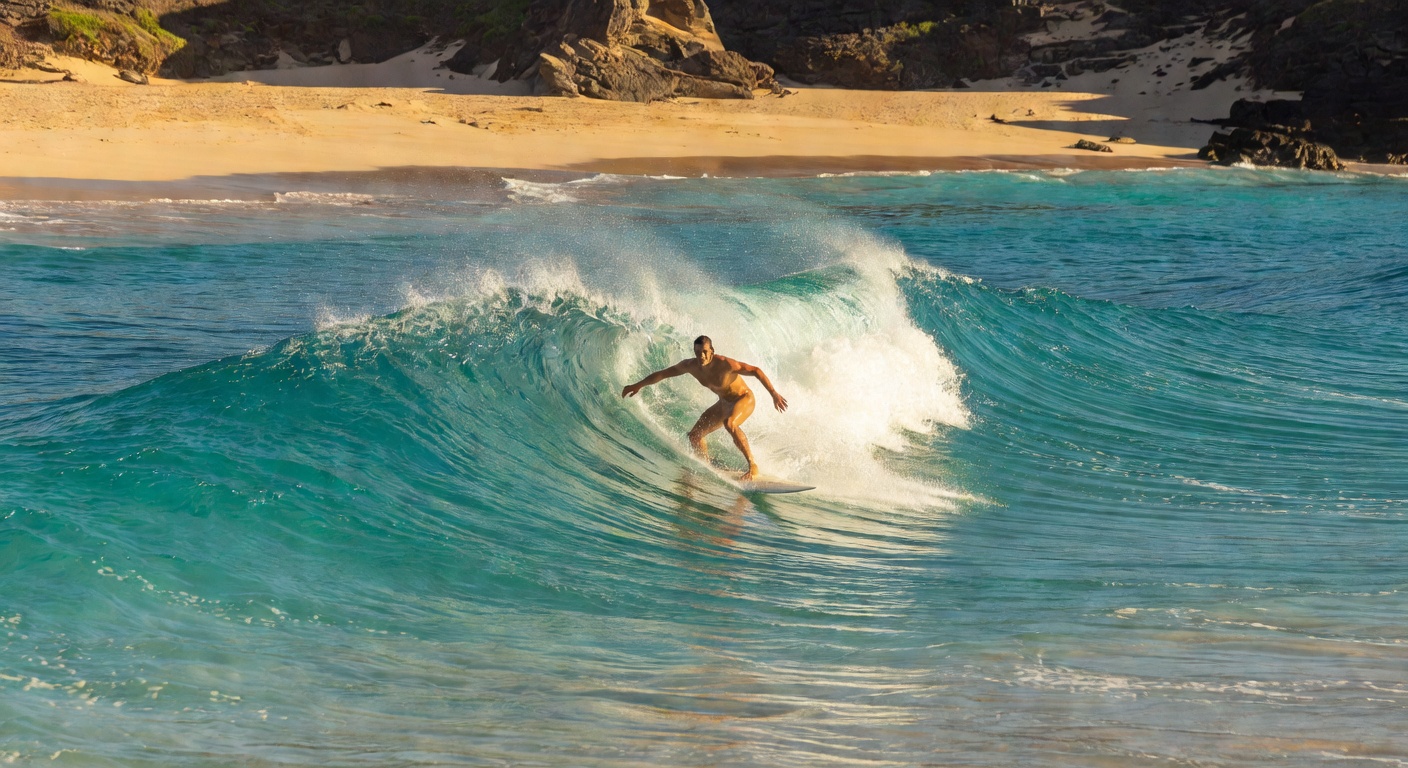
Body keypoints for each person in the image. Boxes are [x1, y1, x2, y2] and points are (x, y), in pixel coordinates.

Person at [622, 336, 788, 480]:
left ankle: (753, 466)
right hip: (724, 402)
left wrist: (773, 393)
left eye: (705, 352)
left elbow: (755, 370)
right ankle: (706, 467)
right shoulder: (690, 366)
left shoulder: (726, 364)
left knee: (730, 423)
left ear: (712, 351)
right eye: (697, 352)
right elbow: (663, 374)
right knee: (694, 435)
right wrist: (638, 385)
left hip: (743, 398)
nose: (701, 356)